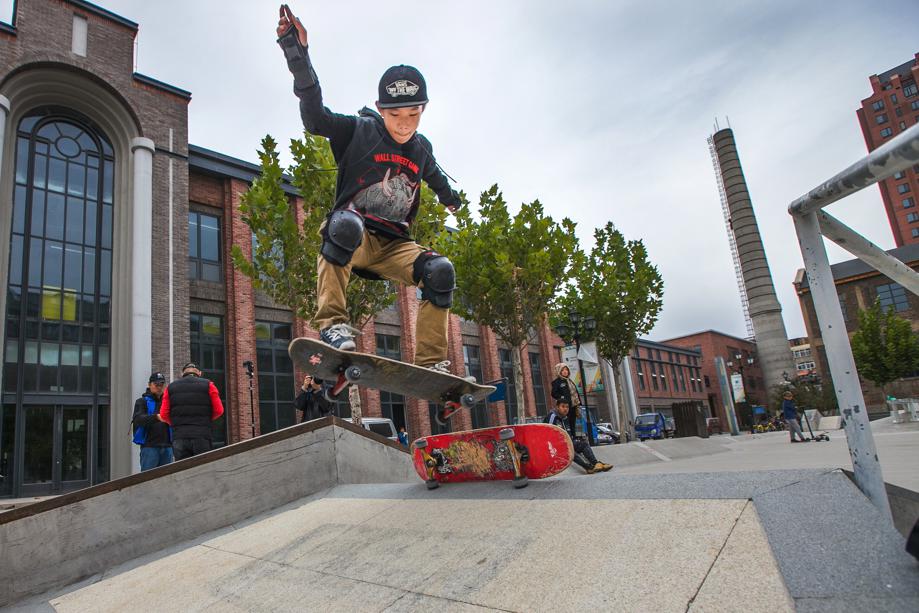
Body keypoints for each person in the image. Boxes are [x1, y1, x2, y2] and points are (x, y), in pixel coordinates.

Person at [276, 5, 465, 376]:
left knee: (441, 270)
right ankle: (332, 325)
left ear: (423, 109)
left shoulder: (421, 147)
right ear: (381, 109)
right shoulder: (359, 130)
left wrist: (451, 199)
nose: (404, 125)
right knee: (344, 224)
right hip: (354, 236)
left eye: (413, 115)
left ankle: (429, 364)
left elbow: (434, 176)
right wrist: (296, 54)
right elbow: (316, 119)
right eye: (395, 116)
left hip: (395, 246)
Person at [159, 362, 225, 460]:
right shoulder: (209, 385)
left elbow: (163, 414)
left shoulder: (170, 387)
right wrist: (206, 419)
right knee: (203, 466)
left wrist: (176, 423)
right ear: (199, 373)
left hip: (179, 436)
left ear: (182, 373)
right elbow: (219, 410)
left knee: (183, 467)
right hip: (202, 435)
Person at [547, 401, 612, 474]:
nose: (565, 409)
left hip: (568, 442)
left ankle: (596, 463)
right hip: (555, 446)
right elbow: (548, 431)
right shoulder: (552, 416)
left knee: (584, 444)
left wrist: (575, 439)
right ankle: (589, 467)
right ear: (557, 407)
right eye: (563, 406)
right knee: (570, 451)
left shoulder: (565, 418)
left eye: (567, 407)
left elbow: (571, 431)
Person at [132, 372, 173, 471]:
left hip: (167, 447)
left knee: (167, 478)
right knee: (147, 478)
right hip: (149, 447)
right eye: (156, 384)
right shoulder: (142, 401)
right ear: (149, 385)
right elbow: (138, 420)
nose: (159, 387)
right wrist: (156, 417)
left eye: (161, 384)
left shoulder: (168, 401)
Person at [551, 363, 582, 435]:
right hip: (564, 406)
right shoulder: (557, 382)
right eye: (563, 370)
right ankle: (567, 437)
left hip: (573, 405)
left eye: (566, 370)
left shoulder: (570, 381)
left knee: (572, 423)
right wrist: (562, 398)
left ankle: (573, 438)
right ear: (559, 371)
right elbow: (553, 393)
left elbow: (575, 393)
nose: (565, 371)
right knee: (566, 424)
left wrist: (579, 403)